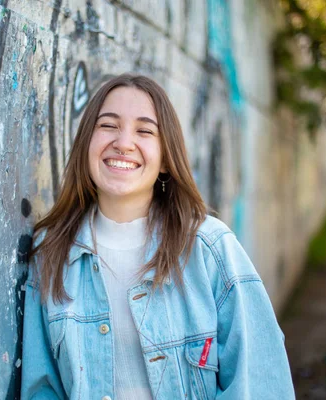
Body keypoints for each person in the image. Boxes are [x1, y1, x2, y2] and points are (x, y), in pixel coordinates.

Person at [20, 74, 295, 399]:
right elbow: (42, 389)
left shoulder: (210, 249)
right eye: (108, 125)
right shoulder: (51, 253)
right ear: (86, 144)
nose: (123, 142)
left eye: (144, 130)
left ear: (165, 159)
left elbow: (258, 382)